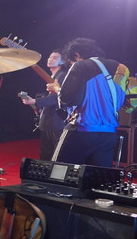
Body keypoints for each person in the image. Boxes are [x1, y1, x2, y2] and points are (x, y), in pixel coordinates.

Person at [52, 38, 127, 167]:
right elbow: (135, 96)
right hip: (109, 133)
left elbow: (67, 98)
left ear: (76, 55)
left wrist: (57, 89)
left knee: (59, 171)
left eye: (71, 62)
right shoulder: (120, 67)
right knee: (97, 175)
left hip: (82, 129)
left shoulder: (80, 65)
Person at [20, 49, 69, 161]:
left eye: (55, 58)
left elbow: (57, 98)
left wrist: (35, 101)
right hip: (50, 122)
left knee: (54, 156)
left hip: (56, 122)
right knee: (47, 155)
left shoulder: (62, 75)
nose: (50, 59)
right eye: (50, 57)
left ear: (62, 62)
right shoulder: (55, 76)